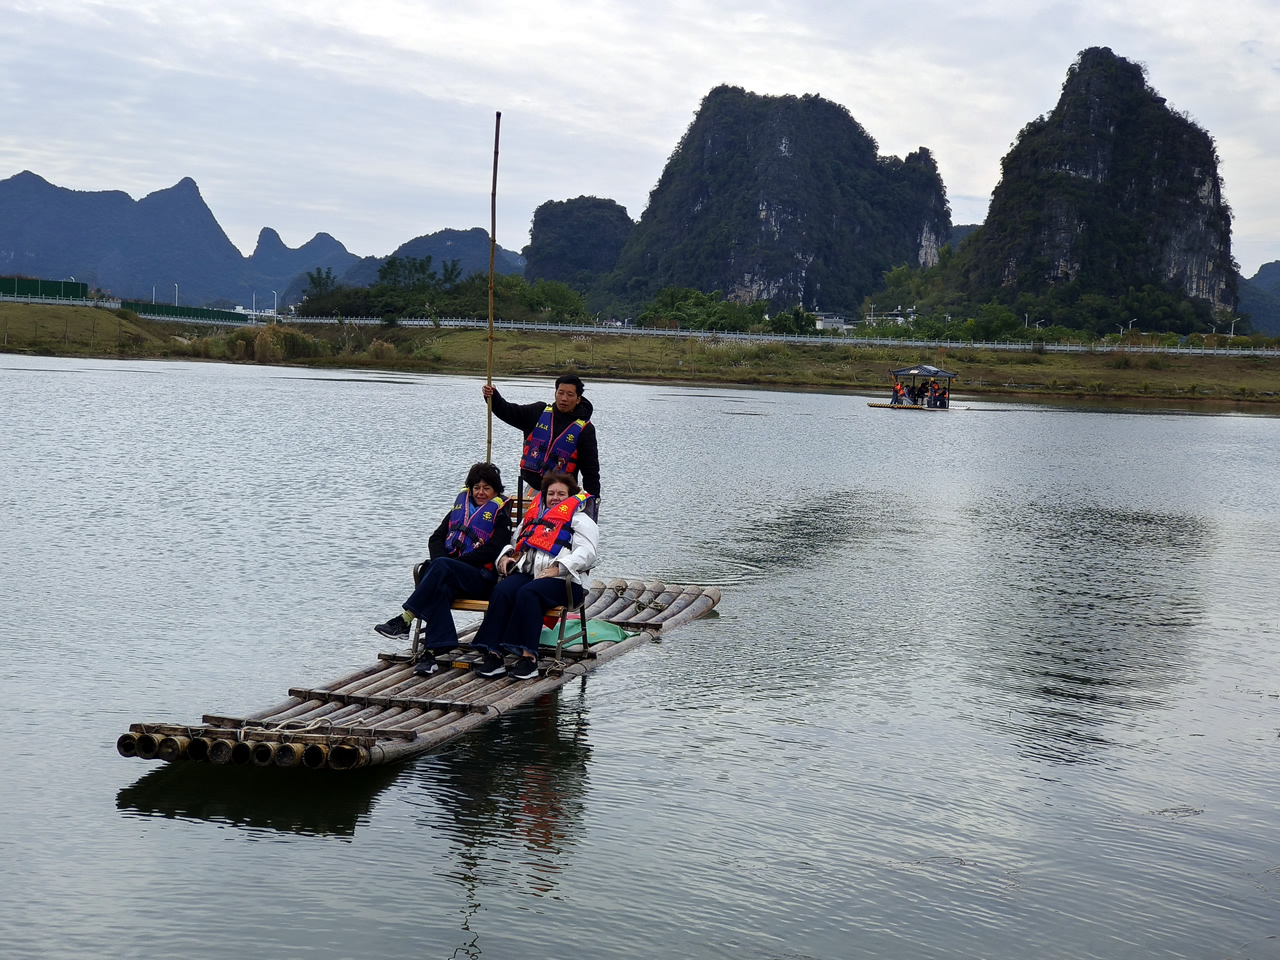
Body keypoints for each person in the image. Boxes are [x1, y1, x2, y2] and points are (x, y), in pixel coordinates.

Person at [373, 462, 513, 676]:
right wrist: (442, 562)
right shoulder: (460, 509)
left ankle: (405, 620)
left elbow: (493, 550)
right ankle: (430, 655)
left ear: (495, 490)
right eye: (476, 487)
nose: (480, 493)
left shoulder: (500, 515)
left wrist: (451, 565)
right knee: (438, 583)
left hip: (480, 579)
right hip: (450, 576)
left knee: (438, 572)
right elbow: (436, 538)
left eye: (486, 488)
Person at [470, 469, 598, 681]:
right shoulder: (534, 518)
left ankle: (529, 658)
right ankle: (494, 655)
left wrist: (559, 567)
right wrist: (505, 556)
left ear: (571, 496)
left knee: (528, 593)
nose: (554, 498)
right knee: (502, 590)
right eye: (550, 493)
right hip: (531, 574)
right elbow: (513, 543)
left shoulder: (580, 520)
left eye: (561, 494)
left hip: (565, 582)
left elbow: (588, 553)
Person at [481, 375, 601, 501]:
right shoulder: (537, 412)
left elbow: (590, 470)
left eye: (570, 395)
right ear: (555, 394)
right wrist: (493, 396)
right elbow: (508, 411)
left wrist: (594, 500)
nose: (564, 398)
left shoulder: (585, 430)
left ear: (578, 399)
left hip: (563, 495)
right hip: (532, 491)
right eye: (560, 393)